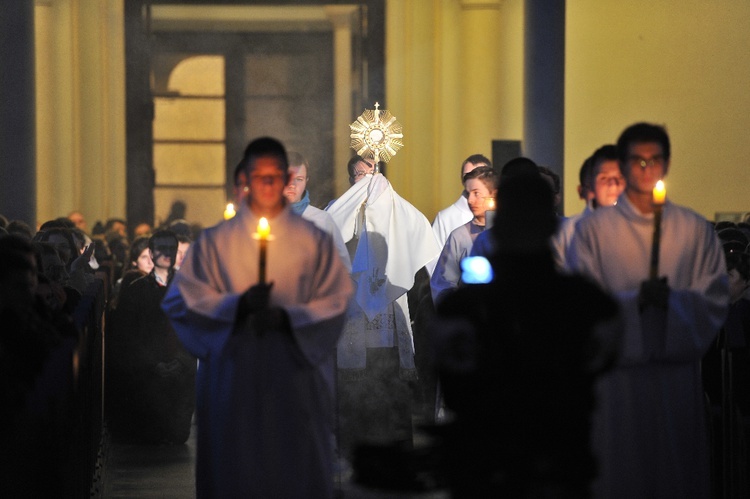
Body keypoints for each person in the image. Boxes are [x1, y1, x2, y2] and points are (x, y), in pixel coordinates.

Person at [161, 137, 352, 498]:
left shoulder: (313, 239)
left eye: (274, 177)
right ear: (242, 183)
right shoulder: (216, 244)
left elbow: (337, 301)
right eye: (256, 177)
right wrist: (236, 308)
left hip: (294, 381)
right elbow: (181, 304)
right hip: (234, 383)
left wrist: (287, 318)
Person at [431, 173, 620, 498]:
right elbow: (598, 373)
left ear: (498, 225)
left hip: (491, 464)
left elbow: (456, 385)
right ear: (552, 225)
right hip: (558, 458)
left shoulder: (465, 309)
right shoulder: (590, 304)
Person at [566, 122, 729, 498]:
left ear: (667, 165)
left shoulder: (692, 230)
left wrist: (672, 303)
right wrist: (634, 302)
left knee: (673, 472)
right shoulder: (594, 231)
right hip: (617, 382)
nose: (646, 169)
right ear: (622, 166)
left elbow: (714, 299)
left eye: (654, 160)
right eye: (637, 161)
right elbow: (582, 304)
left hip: (676, 379)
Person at [326, 154, 440, 458]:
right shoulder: (340, 209)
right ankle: (355, 451)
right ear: (350, 179)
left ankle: (396, 452)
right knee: (357, 391)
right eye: (359, 175)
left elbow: (420, 236)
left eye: (371, 171)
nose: (366, 179)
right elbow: (330, 230)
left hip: (390, 319)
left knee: (389, 389)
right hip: (353, 315)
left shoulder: (398, 210)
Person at [110, 230, 195, 444]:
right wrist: (152, 364)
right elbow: (126, 337)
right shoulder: (136, 291)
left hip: (180, 375)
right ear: (151, 252)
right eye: (161, 249)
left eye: (171, 249)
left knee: (175, 434)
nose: (166, 253)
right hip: (145, 376)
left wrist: (180, 361)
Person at [430, 166, 498, 305]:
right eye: (468, 194)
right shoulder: (459, 236)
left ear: (494, 195)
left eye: (476, 193)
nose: (470, 200)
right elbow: (443, 283)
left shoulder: (511, 232)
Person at [552, 145, 625, 268]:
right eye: (604, 178)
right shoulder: (568, 231)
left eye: (620, 178)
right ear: (592, 184)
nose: (613, 185)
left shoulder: (643, 228)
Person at [284, 151, 351, 271]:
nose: (292, 185)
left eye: (299, 179)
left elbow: (343, 269)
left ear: (306, 180)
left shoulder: (321, 220)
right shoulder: (260, 220)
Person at [429, 154, 491, 274]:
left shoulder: (502, 214)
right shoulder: (445, 218)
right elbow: (434, 263)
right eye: (468, 175)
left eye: (480, 174)